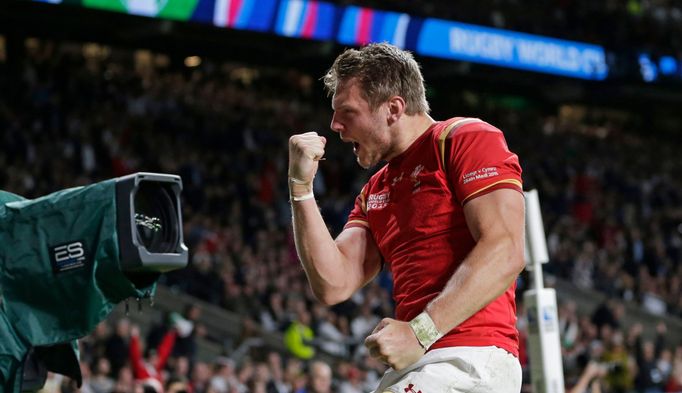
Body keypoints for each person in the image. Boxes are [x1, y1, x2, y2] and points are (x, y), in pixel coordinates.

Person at [288, 42, 525, 392]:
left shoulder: (464, 138)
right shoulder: (376, 190)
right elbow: (333, 283)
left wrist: (420, 330)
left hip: (468, 359)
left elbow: (507, 249)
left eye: (347, 112)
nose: (335, 125)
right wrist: (300, 187)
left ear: (393, 109)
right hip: (418, 362)